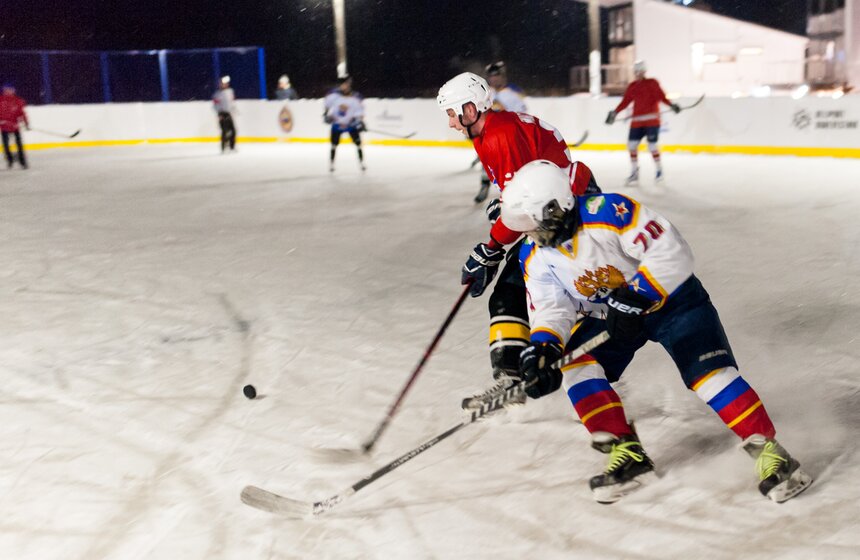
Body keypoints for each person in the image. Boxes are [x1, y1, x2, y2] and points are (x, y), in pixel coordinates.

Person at [499, 159, 812, 504]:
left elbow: (671, 252)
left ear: (555, 208)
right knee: (576, 367)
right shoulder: (533, 253)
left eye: (529, 222)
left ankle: (772, 453)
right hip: (612, 316)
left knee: (709, 376)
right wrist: (544, 347)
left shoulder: (610, 212)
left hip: (674, 302)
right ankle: (628, 454)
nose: (525, 232)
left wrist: (635, 297)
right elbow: (551, 307)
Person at [436, 72, 600, 410]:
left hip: (565, 217)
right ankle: (523, 374)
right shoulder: (491, 131)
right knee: (519, 293)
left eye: (452, 114)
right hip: (559, 208)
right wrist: (503, 208)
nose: (451, 123)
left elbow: (525, 209)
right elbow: (521, 191)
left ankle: (520, 378)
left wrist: (490, 249)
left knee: (514, 293)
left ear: (470, 109)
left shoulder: (498, 135)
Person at [605, 60, 679, 185]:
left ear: (644, 71)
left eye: (640, 71)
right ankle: (634, 172)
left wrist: (671, 105)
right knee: (631, 145)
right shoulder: (632, 86)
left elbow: (661, 97)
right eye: (636, 71)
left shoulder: (652, 83)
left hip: (652, 121)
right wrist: (615, 112)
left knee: (652, 146)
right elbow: (625, 102)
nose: (638, 73)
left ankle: (659, 170)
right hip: (637, 121)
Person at [469, 61, 529, 203]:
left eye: (497, 76)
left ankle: (518, 191)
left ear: (503, 76)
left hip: (509, 136)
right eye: (491, 76)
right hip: (490, 135)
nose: (494, 79)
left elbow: (521, 116)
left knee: (512, 166)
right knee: (487, 163)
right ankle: (484, 185)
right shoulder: (484, 93)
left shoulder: (514, 92)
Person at [323, 75, 366, 172]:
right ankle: (332, 164)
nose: (344, 86)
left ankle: (362, 163)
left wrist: (360, 122)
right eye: (343, 84)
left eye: (346, 84)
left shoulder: (355, 97)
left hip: (350, 125)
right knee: (334, 145)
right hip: (337, 125)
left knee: (358, 144)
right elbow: (327, 106)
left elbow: (360, 111)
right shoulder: (333, 96)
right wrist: (326, 115)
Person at [0, 83, 29, 169]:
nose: (8, 91)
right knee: (6, 146)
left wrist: (26, 123)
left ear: (13, 90)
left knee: (19, 145)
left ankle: (22, 162)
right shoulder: (1, 100)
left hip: (15, 126)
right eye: (6, 90)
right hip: (4, 127)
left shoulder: (18, 101)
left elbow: (22, 113)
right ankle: (10, 160)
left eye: (10, 90)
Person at [212, 76, 237, 153]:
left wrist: (232, 110)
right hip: (222, 114)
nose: (224, 85)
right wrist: (219, 114)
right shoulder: (217, 94)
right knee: (224, 131)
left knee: (233, 130)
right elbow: (215, 105)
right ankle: (223, 147)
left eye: (226, 83)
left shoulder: (230, 91)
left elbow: (231, 102)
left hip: (228, 113)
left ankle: (232, 147)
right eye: (223, 83)